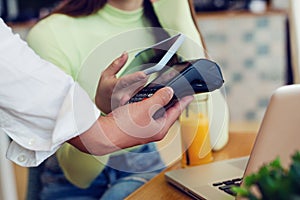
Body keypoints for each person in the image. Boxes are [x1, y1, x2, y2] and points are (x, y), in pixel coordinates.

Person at [26, 0, 228, 199]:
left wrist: (180, 20)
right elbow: (79, 176)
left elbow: (215, 141)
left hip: (142, 164)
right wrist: (105, 113)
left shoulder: (166, 21)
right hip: (71, 176)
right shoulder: (50, 34)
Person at [0, 17, 192, 168]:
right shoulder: (51, 32)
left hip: (144, 160)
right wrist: (102, 116)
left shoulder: (161, 24)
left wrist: (179, 14)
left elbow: (214, 146)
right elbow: (75, 171)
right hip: (78, 176)